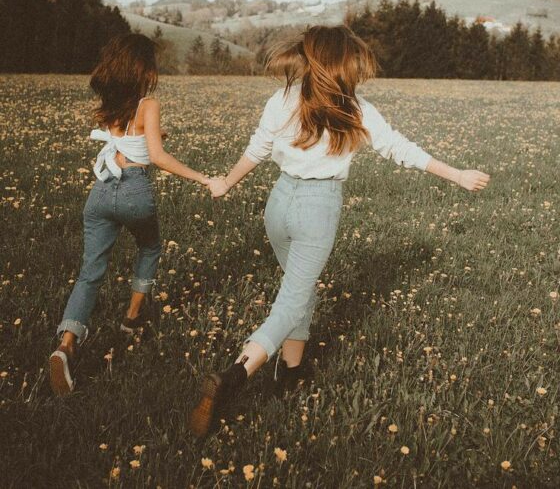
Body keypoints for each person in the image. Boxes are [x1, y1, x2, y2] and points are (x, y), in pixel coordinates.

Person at [188, 24, 490, 436]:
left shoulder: (283, 99)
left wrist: (225, 181)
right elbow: (399, 149)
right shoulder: (356, 109)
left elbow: (257, 148)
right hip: (317, 208)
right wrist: (456, 175)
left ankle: (292, 371)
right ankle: (235, 373)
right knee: (292, 302)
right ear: (344, 63)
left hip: (278, 205)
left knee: (301, 290)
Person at [50, 33, 209, 395]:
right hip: (134, 189)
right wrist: (202, 177)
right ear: (143, 69)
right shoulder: (147, 104)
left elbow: (126, 140)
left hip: (102, 191)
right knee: (150, 248)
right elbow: (157, 157)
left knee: (90, 272)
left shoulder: (109, 104)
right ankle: (132, 319)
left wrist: (155, 135)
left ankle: (66, 343)